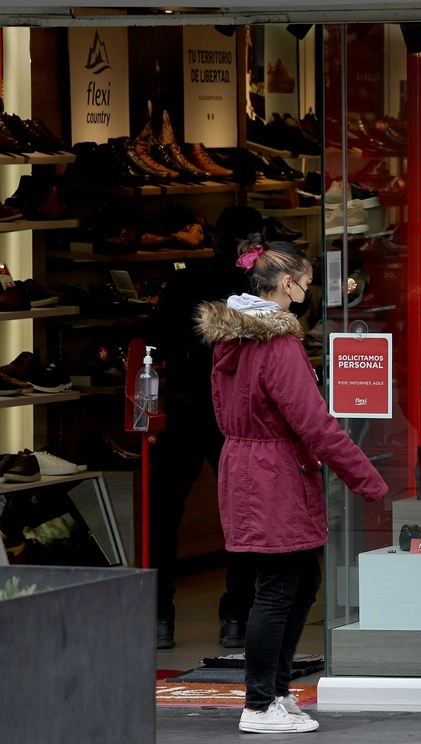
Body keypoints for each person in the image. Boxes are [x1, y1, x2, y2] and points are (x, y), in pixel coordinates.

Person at [197, 236, 388, 734]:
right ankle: (260, 704)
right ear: (287, 284)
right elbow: (315, 424)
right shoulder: (277, 343)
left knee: (300, 579)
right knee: (281, 586)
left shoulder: (231, 337)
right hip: (274, 472)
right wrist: (368, 480)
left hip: (247, 463)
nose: (310, 290)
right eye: (307, 281)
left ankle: (276, 692)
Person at [145, 205, 262, 650]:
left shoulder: (187, 281)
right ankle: (235, 613)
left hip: (185, 406)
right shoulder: (252, 285)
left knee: (165, 512)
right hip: (233, 413)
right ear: (254, 241)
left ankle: (160, 613)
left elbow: (153, 336)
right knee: (242, 513)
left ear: (215, 238)